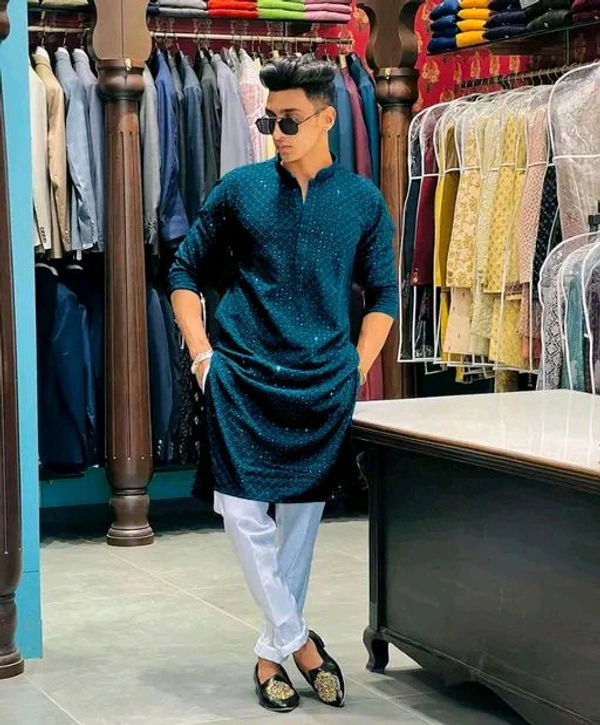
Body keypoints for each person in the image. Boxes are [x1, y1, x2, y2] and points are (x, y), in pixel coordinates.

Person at [168, 55, 398, 714]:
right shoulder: (239, 190)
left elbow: (383, 294)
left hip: (322, 382)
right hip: (241, 375)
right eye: (269, 120)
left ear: (327, 118)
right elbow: (184, 271)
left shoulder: (361, 201)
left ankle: (272, 654)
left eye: (290, 120)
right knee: (242, 513)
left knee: (299, 525)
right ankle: (301, 645)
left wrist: (357, 366)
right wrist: (202, 355)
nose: (277, 132)